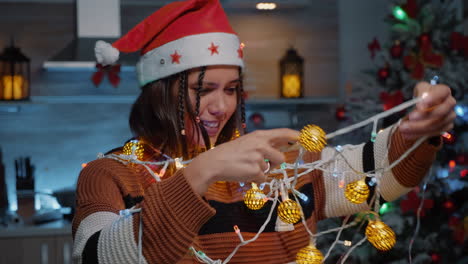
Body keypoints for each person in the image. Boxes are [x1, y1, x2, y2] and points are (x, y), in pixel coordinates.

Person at [71, 0, 457, 263]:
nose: (221, 107)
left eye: (232, 90)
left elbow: (379, 177)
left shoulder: (277, 167)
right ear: (160, 93)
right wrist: (202, 171)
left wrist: (417, 131)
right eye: (203, 90)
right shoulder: (109, 175)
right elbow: (99, 257)